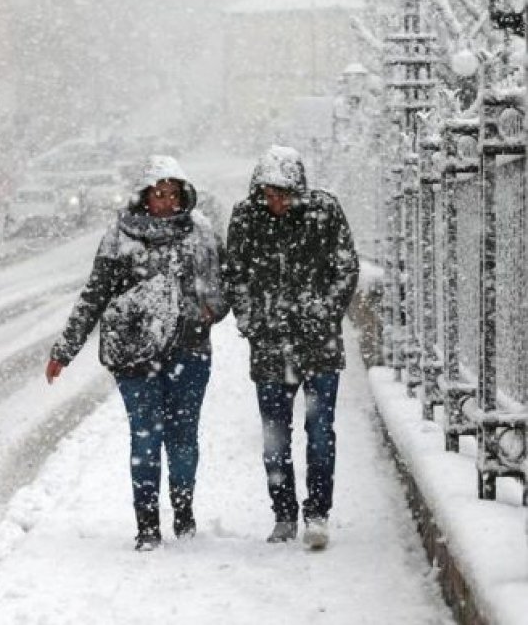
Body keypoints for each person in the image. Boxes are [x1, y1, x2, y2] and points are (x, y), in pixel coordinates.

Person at [45, 155, 228, 551]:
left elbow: (225, 284)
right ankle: (146, 524)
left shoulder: (202, 235)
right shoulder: (119, 237)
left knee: (182, 438)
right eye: (158, 194)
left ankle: (183, 512)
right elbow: (94, 295)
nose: (164, 202)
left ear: (183, 195)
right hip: (136, 355)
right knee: (145, 437)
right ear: (144, 196)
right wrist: (66, 348)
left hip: (190, 351)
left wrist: (214, 307)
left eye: (172, 194)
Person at [224, 145, 359, 550]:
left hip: (319, 346)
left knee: (319, 432)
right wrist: (251, 320)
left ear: (298, 187)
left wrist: (324, 312)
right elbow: (235, 274)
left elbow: (346, 267)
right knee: (275, 436)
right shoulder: (246, 218)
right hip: (270, 347)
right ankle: (283, 513)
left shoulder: (325, 212)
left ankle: (317, 512)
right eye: (268, 193)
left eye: (282, 192)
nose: (276, 201)